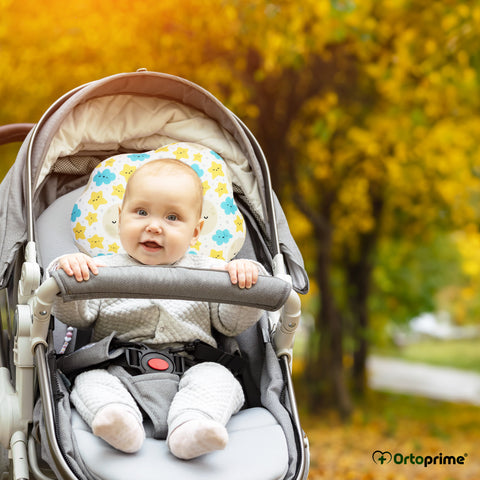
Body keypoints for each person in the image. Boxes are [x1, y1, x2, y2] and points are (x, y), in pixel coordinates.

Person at [50, 158, 263, 459]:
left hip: (193, 370)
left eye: (173, 217)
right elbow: (77, 315)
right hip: (119, 371)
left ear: (195, 231)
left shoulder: (213, 273)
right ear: (120, 217)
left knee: (221, 378)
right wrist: (68, 272)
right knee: (89, 381)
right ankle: (119, 421)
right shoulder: (100, 268)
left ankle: (192, 427)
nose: (153, 226)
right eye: (140, 212)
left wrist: (245, 282)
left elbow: (231, 324)